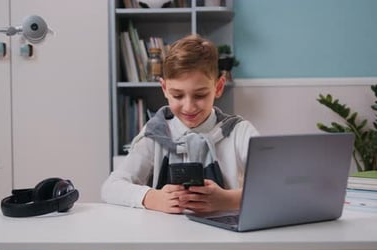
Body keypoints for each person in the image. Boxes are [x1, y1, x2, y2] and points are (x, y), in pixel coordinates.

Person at [101, 34, 259, 214]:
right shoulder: (155, 133)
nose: (189, 107)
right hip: (167, 238)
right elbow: (110, 187)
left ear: (219, 87)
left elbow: (274, 185)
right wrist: (153, 198)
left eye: (200, 95)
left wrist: (228, 200)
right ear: (164, 89)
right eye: (177, 95)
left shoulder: (240, 132)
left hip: (227, 239)